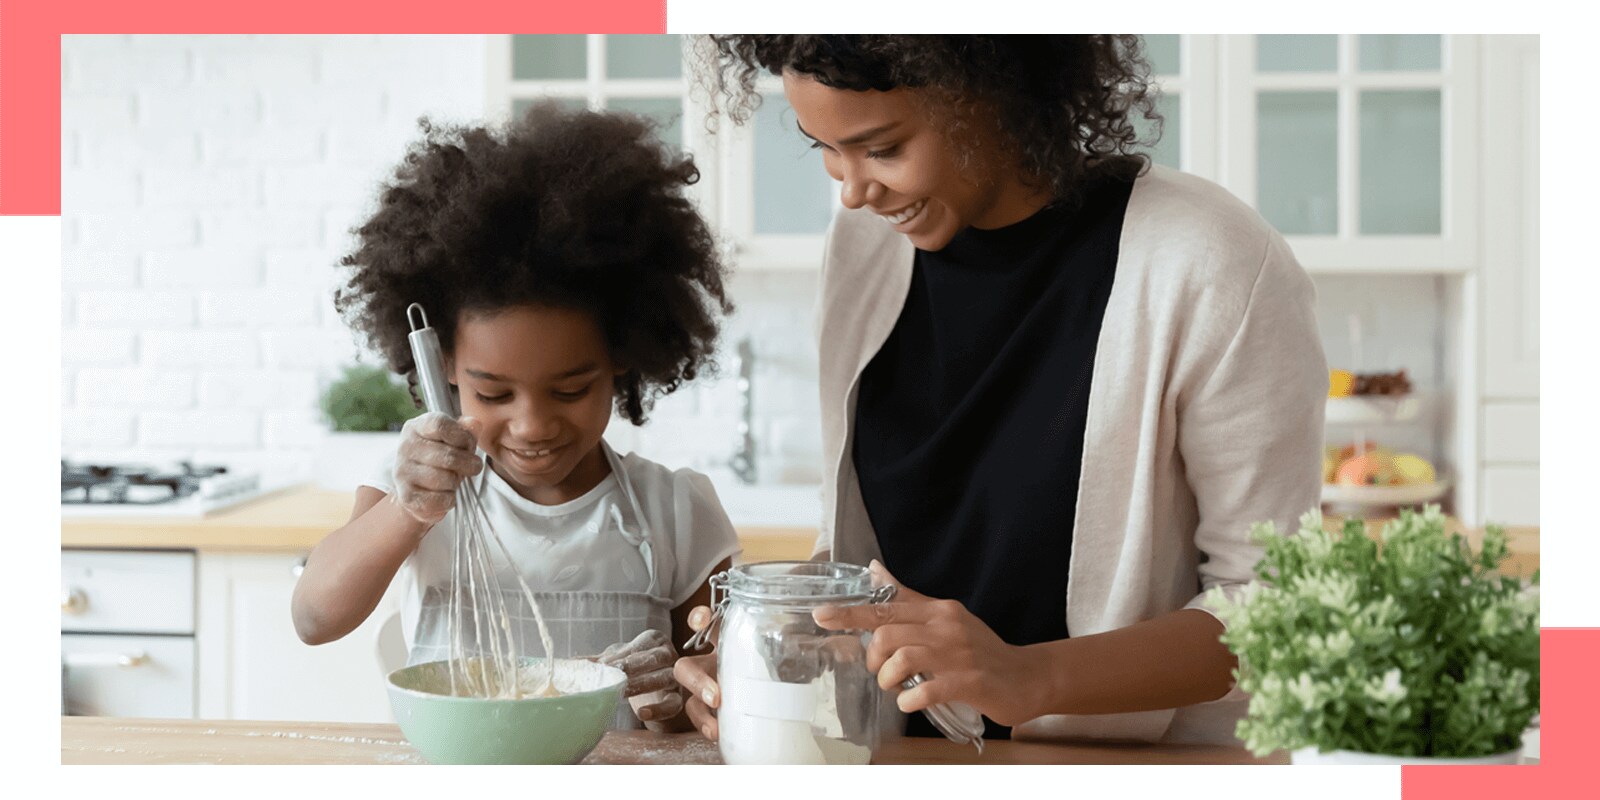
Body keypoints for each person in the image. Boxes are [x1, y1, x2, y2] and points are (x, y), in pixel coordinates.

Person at [675, 35, 1327, 745]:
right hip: (899, 765)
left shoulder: (1210, 261)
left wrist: (1027, 675)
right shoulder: (865, 245)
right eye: (824, 148)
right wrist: (771, 648)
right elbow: (866, 554)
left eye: (884, 149)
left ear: (993, 94)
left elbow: (1274, 605)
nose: (854, 189)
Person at [290, 103, 741, 732]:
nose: (532, 425)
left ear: (622, 358)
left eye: (571, 389)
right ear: (443, 367)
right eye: (495, 395)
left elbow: (711, 700)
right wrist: (410, 510)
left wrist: (677, 696)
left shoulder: (674, 509)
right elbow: (315, 619)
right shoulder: (415, 491)